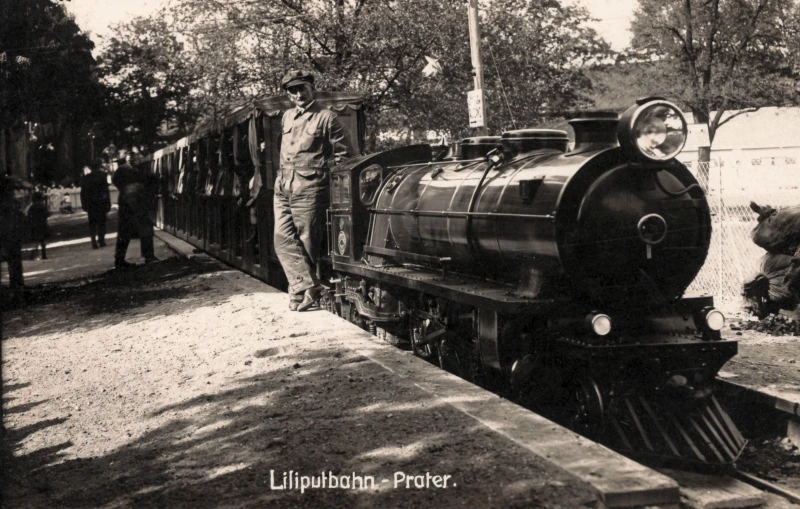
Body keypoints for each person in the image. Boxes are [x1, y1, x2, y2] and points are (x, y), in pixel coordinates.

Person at [275, 70, 353, 311]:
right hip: (283, 185)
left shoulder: (327, 118)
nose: (299, 94)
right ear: (288, 94)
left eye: (303, 88)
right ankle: (308, 287)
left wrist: (324, 178)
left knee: (308, 241)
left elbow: (346, 156)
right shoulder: (287, 116)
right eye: (293, 90)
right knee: (282, 238)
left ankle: (301, 292)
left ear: (312, 89)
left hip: (310, 186)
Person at [112, 156, 158, 269]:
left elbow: (115, 180)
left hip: (124, 198)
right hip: (135, 197)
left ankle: (119, 260)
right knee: (145, 226)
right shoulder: (140, 175)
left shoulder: (122, 172)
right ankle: (148, 256)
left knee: (124, 231)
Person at [0, 177, 27, 300]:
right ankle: (17, 286)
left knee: (13, 261)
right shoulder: (12, 204)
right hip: (11, 235)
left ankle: (16, 287)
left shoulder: (10, 204)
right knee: (15, 261)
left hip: (9, 235)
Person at [80, 158, 112, 249]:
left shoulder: (86, 178)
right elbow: (106, 191)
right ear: (99, 166)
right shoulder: (103, 176)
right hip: (100, 202)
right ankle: (101, 240)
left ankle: (93, 240)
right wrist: (108, 203)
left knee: (92, 223)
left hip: (90, 203)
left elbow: (83, 193)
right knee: (102, 222)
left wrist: (84, 204)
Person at [26, 191, 50, 260]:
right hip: (42, 224)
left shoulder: (31, 207)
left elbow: (29, 216)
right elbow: (47, 214)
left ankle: (33, 255)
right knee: (43, 241)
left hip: (34, 225)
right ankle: (44, 254)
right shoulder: (42, 206)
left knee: (35, 241)